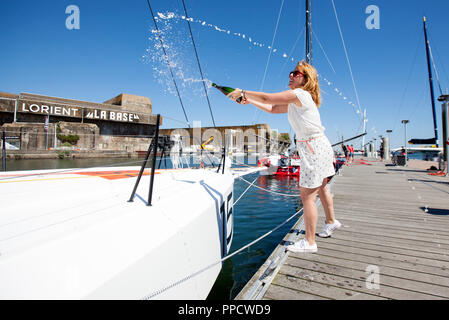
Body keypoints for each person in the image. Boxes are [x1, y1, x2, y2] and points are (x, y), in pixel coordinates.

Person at [227, 61, 341, 253]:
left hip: (313, 148)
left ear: (305, 79)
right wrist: (249, 101)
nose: (291, 75)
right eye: (291, 72)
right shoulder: (299, 99)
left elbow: (266, 96)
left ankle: (310, 242)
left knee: (307, 196)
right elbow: (271, 108)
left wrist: (243, 92)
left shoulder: (299, 94)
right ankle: (331, 222)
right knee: (321, 188)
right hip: (318, 146)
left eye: (296, 73)